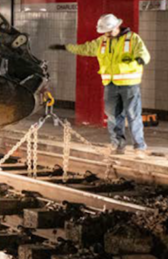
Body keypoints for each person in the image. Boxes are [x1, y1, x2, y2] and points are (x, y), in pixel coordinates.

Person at [49, 13, 150, 158]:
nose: (107, 34)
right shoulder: (101, 42)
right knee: (113, 117)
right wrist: (65, 47)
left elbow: (144, 53)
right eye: (104, 32)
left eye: (108, 31)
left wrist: (141, 59)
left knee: (133, 115)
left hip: (129, 84)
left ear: (117, 26)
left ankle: (139, 147)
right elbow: (85, 49)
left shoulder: (133, 39)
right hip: (110, 84)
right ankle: (117, 145)